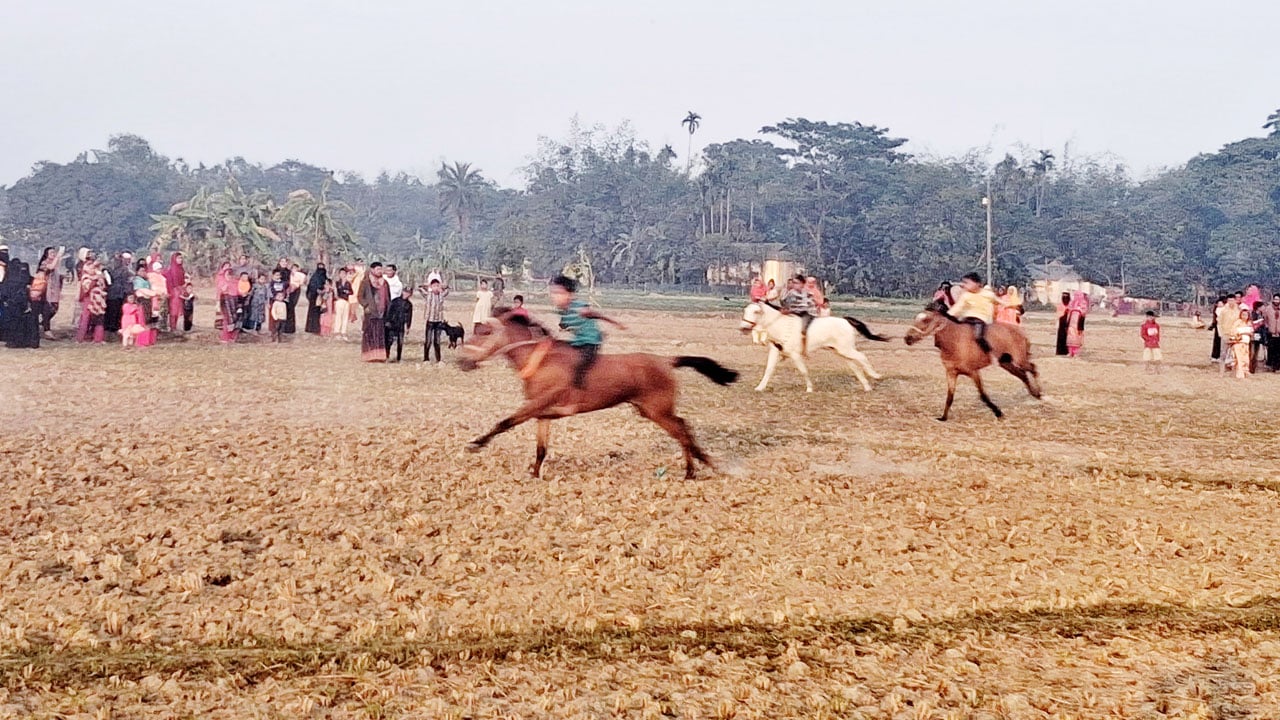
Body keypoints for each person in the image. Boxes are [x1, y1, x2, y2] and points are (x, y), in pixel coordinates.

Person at [550, 275, 626, 388]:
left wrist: (616, 323)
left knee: (579, 365)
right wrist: (563, 327)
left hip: (590, 342)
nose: (555, 297)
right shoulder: (562, 311)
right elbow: (564, 323)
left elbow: (598, 315)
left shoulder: (580, 309)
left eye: (559, 293)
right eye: (553, 293)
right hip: (577, 341)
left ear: (570, 295)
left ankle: (580, 387)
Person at [947, 272, 998, 354]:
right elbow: (957, 307)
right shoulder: (966, 295)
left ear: (977, 284)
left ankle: (990, 353)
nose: (964, 285)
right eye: (964, 283)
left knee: (978, 336)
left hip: (980, 319)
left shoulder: (988, 294)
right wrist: (948, 315)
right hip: (967, 318)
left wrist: (1012, 305)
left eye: (967, 283)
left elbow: (998, 301)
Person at [358, 262, 390, 362]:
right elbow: (360, 296)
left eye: (380, 269)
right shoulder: (365, 282)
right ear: (372, 270)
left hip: (381, 312)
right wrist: (365, 305)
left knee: (380, 335)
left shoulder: (384, 283)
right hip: (370, 312)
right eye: (377, 269)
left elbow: (388, 298)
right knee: (369, 334)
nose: (379, 271)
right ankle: (369, 356)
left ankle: (380, 356)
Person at [780, 275, 817, 357]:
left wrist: (790, 311)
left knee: (803, 330)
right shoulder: (791, 292)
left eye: (796, 283)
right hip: (797, 312)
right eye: (793, 283)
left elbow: (804, 307)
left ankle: (804, 350)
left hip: (808, 313)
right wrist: (785, 290)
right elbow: (784, 302)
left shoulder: (806, 293)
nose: (794, 285)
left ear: (802, 284)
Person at [34, 246, 65, 339]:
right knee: (47, 310)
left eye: (54, 252)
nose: (53, 254)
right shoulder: (44, 263)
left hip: (54, 290)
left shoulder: (54, 263)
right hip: (45, 291)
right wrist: (59, 256)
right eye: (51, 253)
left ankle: (44, 323)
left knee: (54, 308)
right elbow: (50, 268)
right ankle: (47, 330)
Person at [76, 260, 107, 344]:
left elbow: (103, 286)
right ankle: (80, 338)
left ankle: (98, 338)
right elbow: (87, 288)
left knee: (99, 318)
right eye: (91, 268)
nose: (93, 270)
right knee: (85, 318)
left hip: (99, 299)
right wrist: (95, 280)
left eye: (94, 268)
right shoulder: (85, 277)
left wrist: (100, 278)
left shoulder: (99, 276)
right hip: (89, 299)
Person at [420, 277, 449, 364]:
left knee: (437, 341)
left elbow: (448, 289)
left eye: (437, 286)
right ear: (431, 287)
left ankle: (438, 359)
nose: (436, 288)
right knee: (428, 340)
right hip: (430, 320)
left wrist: (442, 286)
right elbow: (419, 288)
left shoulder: (442, 295)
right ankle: (426, 359)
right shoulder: (428, 294)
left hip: (439, 320)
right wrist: (427, 285)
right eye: (434, 286)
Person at [103, 252, 134, 334]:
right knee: (114, 310)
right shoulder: (123, 269)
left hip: (114, 292)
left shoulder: (110, 268)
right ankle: (112, 327)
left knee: (113, 310)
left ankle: (111, 327)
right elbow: (126, 281)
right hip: (116, 292)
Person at [384, 288, 414, 362]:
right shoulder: (395, 301)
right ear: (402, 292)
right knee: (389, 341)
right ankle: (386, 356)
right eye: (405, 292)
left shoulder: (409, 305)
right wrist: (387, 321)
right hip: (392, 324)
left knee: (400, 342)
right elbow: (389, 311)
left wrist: (408, 326)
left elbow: (409, 316)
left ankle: (398, 358)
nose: (407, 294)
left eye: (409, 293)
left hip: (401, 325)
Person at [215, 262, 240, 344]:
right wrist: (218, 303)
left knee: (235, 320)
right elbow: (219, 292)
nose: (229, 276)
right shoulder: (222, 281)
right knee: (227, 320)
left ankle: (232, 338)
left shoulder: (236, 282)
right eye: (227, 274)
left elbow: (239, 292)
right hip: (225, 302)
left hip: (235, 302)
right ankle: (225, 338)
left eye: (230, 274)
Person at [164, 252, 187, 332]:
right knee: (174, 310)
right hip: (174, 291)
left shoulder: (181, 269)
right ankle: (172, 326)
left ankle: (175, 326)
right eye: (178, 258)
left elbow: (183, 280)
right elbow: (170, 282)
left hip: (180, 290)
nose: (180, 260)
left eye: (181, 258)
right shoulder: (171, 269)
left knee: (179, 310)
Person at [305, 263, 328, 334]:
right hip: (313, 297)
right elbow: (311, 286)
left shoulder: (325, 277)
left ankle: (319, 328)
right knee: (313, 312)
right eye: (319, 267)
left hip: (322, 296)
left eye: (322, 268)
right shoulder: (314, 277)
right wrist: (316, 290)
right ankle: (311, 328)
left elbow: (327, 284)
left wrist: (323, 291)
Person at [1232, 307, 1254, 379]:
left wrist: (1250, 333)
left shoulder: (1249, 323)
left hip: (1246, 343)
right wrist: (1244, 332)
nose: (1244, 316)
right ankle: (1240, 374)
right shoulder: (1237, 322)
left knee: (1246, 359)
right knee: (1239, 358)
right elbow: (1234, 331)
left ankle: (1245, 371)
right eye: (1243, 315)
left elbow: (1251, 332)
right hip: (1239, 342)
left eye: (1246, 315)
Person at [1065, 291, 1089, 358]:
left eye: (1078, 295)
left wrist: (1080, 327)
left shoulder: (1083, 303)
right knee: (1070, 337)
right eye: (1075, 295)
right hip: (1071, 324)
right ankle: (1070, 352)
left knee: (1077, 338)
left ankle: (1076, 353)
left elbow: (1083, 314)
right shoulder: (1072, 303)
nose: (1076, 296)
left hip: (1077, 324)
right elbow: (1068, 312)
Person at [332, 268, 353, 341]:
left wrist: (347, 291)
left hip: (346, 301)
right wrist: (337, 297)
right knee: (338, 316)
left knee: (345, 317)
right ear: (339, 274)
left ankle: (343, 332)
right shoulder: (337, 283)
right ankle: (337, 332)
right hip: (339, 300)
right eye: (341, 273)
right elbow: (335, 292)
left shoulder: (348, 283)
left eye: (344, 273)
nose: (342, 275)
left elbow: (351, 292)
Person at [285, 263, 305, 334]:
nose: (294, 270)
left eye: (295, 268)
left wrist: (295, 286)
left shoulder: (301, 275)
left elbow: (301, 283)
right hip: (288, 290)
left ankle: (291, 328)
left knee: (292, 307)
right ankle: (286, 327)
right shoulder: (289, 274)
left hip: (296, 290)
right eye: (293, 268)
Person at [1261, 294, 1280, 372]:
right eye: (1275, 299)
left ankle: (1278, 366)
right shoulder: (1268, 308)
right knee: (1271, 350)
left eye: (1278, 299)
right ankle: (1271, 366)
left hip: (1279, 333)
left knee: (1279, 350)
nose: (1276, 301)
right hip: (1271, 332)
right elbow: (1265, 319)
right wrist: (1267, 327)